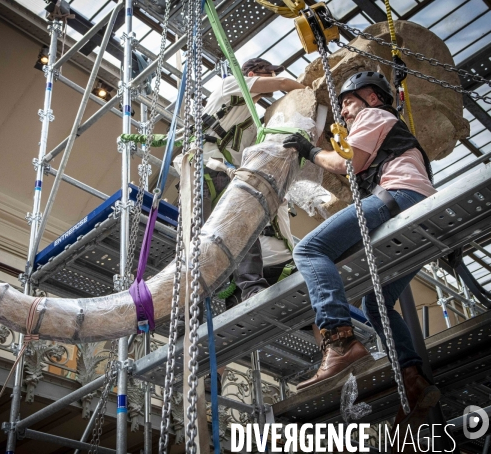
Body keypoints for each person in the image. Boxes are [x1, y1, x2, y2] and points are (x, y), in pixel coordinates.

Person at [284, 71, 439, 429]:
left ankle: (339, 341)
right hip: (417, 208)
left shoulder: (375, 115)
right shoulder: (393, 132)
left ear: (372, 96)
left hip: (398, 197)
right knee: (375, 303)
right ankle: (413, 379)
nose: (345, 113)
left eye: (349, 102)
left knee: (309, 252)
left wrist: (310, 150)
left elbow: (345, 164)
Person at [185, 57, 304, 303]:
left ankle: (246, 288)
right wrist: (306, 93)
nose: (272, 80)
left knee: (237, 230)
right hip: (205, 168)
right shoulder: (230, 85)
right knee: (236, 225)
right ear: (253, 74)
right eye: (267, 74)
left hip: (221, 175)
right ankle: (244, 288)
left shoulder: (253, 122)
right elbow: (282, 81)